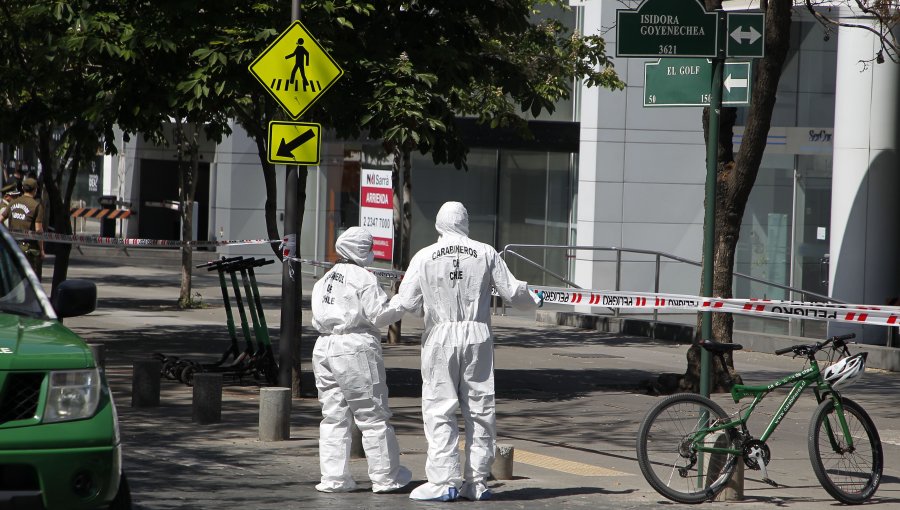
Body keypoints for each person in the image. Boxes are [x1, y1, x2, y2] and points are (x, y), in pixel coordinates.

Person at [390, 201, 541, 502]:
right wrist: (534, 299)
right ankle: (477, 482)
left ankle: (444, 481)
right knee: (480, 410)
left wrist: (375, 317)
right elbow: (513, 292)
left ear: (438, 223)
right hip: (477, 336)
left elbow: (404, 302)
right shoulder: (486, 252)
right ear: (466, 222)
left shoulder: (424, 256)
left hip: (440, 337)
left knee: (439, 408)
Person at [310, 227, 412, 494]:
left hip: (324, 347)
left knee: (333, 416)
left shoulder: (324, 280)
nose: (372, 254)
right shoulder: (363, 278)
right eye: (368, 248)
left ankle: (334, 479)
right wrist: (402, 302)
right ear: (359, 250)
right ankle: (386, 477)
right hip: (354, 347)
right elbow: (380, 315)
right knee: (373, 415)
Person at [0, 177, 45, 274]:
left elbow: (0, 219)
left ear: (23, 189)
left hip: (13, 246)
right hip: (28, 249)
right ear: (35, 190)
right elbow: (38, 230)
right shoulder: (36, 206)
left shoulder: (13, 202)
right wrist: (41, 249)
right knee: (29, 277)